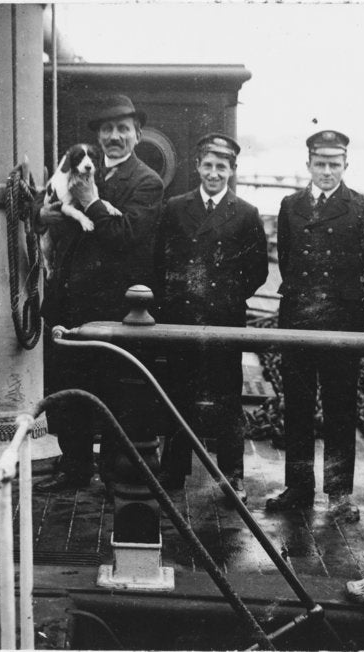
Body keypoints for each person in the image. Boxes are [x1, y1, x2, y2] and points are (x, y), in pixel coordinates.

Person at [37, 95, 164, 492]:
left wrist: (91, 202)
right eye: (107, 130)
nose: (114, 137)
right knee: (67, 391)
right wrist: (45, 215)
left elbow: (126, 236)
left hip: (111, 309)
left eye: (123, 129)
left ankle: (113, 477)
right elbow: (60, 222)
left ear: (137, 135)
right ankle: (74, 469)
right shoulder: (79, 169)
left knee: (111, 394)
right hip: (71, 303)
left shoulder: (146, 182)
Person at [265, 130, 364, 523]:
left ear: (346, 165)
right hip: (299, 319)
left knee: (340, 407)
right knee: (297, 406)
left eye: (335, 164)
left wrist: (350, 306)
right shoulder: (290, 205)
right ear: (309, 165)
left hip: (341, 323)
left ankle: (338, 494)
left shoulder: (363, 208)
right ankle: (299, 487)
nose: (327, 171)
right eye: (321, 164)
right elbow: (287, 260)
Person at [153, 134, 268, 501]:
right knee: (177, 391)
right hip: (181, 317)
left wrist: (226, 297)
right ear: (198, 167)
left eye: (222, 167)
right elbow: (160, 261)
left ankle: (231, 474)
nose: (214, 174)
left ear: (233, 170)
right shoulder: (174, 208)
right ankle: (173, 469)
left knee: (227, 396)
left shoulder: (246, 214)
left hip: (224, 320)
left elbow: (257, 271)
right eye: (208, 165)